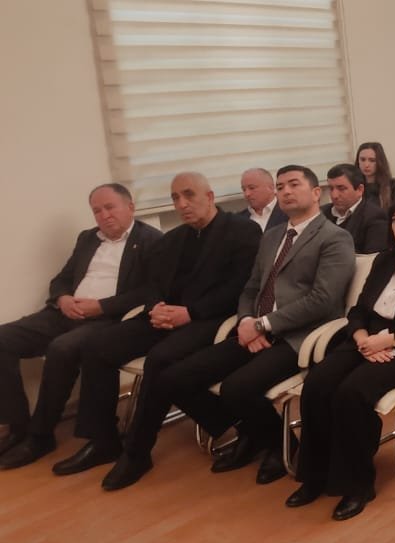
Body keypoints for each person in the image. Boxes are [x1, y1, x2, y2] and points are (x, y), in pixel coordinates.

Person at [99, 165, 356, 491]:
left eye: (294, 184)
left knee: (237, 387)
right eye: (280, 186)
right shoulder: (272, 236)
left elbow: (323, 299)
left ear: (316, 192)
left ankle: (282, 447)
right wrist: (247, 320)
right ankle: (253, 433)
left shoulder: (335, 237)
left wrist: (263, 324)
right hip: (254, 328)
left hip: (299, 337)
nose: (286, 191)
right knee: (175, 378)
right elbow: (251, 288)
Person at [54, 172, 261, 481]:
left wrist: (190, 313)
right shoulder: (174, 239)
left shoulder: (242, 231)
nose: (182, 204)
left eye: (189, 195)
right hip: (165, 316)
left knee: (160, 360)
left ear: (210, 196)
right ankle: (103, 440)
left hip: (210, 318)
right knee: (97, 346)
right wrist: (155, 307)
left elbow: (240, 287)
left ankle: (137, 453)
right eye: (176, 198)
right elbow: (151, 283)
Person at [288, 193, 395, 521]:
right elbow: (358, 311)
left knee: (351, 393)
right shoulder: (384, 260)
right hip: (368, 339)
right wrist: (363, 338)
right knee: (317, 384)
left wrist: (389, 340)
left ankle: (357, 484)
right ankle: (315, 475)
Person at [0, 184, 162, 469]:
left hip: (108, 318)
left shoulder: (152, 241)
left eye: (110, 207)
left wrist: (102, 306)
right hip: (65, 312)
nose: (104, 215)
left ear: (130, 207)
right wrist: (62, 298)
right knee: (3, 338)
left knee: (62, 348)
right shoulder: (88, 238)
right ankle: (18, 426)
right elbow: (62, 279)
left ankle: (40, 436)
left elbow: (150, 291)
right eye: (97, 210)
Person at [322, 163, 388, 254]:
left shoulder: (374, 217)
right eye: (331, 188)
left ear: (360, 190)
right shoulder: (321, 213)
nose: (334, 195)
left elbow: (372, 259)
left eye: (341, 188)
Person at [357, 142, 395, 210]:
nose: (366, 165)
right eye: (362, 160)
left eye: (372, 160)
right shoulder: (354, 186)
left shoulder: (393, 186)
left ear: (380, 162)